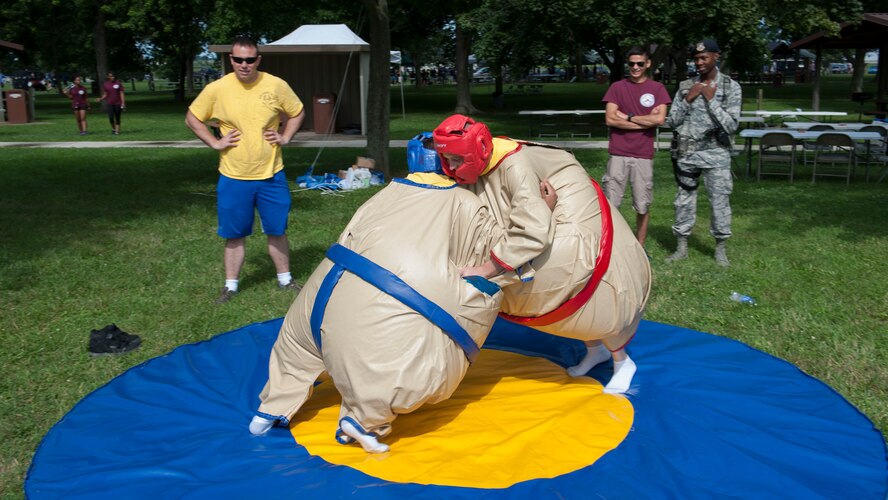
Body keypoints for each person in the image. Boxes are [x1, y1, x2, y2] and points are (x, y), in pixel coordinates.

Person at [249, 134, 521, 453]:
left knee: (298, 353)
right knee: (432, 351)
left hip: (313, 308)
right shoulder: (466, 204)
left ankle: (271, 408)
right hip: (376, 321)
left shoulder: (386, 193)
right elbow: (504, 251)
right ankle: (364, 418)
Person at [433, 115, 651, 394]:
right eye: (446, 159)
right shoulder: (484, 169)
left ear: (479, 150)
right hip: (536, 219)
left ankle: (622, 362)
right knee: (571, 298)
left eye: (456, 160)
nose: (450, 167)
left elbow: (533, 229)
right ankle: (596, 350)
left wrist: (488, 268)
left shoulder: (515, 167)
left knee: (591, 289)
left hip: (571, 232)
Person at [185, 36, 306, 304]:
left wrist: (286, 137)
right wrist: (215, 142)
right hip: (233, 176)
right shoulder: (217, 89)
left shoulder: (276, 85)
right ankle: (230, 287)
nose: (244, 65)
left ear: (258, 60)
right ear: (231, 59)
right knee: (234, 233)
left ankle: (285, 280)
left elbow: (297, 112)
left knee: (277, 229)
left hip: (272, 174)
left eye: (250, 60)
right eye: (238, 59)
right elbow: (193, 118)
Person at [665, 39, 742, 267]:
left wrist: (711, 100)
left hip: (717, 154)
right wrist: (689, 99)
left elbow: (731, 125)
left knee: (719, 201)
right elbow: (673, 121)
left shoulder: (730, 87)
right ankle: (681, 248)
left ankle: (720, 249)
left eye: (704, 57)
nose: (699, 62)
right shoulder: (686, 86)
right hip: (688, 153)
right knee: (683, 201)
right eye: (696, 58)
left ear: (716, 57)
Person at [602, 46, 671, 248]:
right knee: (611, 204)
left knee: (642, 205)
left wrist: (628, 117)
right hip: (618, 153)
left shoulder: (657, 89)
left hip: (643, 154)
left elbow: (659, 119)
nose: (635, 67)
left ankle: (640, 248)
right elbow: (609, 119)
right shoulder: (617, 87)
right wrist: (643, 121)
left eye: (640, 63)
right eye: (631, 63)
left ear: (648, 64)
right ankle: (610, 246)